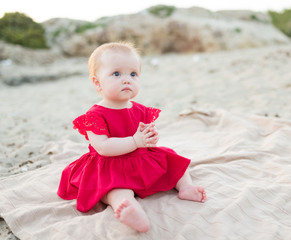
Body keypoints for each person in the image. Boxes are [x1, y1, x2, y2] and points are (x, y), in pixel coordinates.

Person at [57, 41, 207, 233]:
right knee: (115, 189)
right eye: (116, 74)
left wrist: (149, 138)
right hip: (110, 165)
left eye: (133, 74)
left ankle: (186, 187)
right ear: (97, 83)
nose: (127, 80)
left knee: (173, 161)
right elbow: (103, 147)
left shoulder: (140, 110)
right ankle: (128, 207)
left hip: (139, 159)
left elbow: (144, 135)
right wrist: (135, 141)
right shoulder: (94, 115)